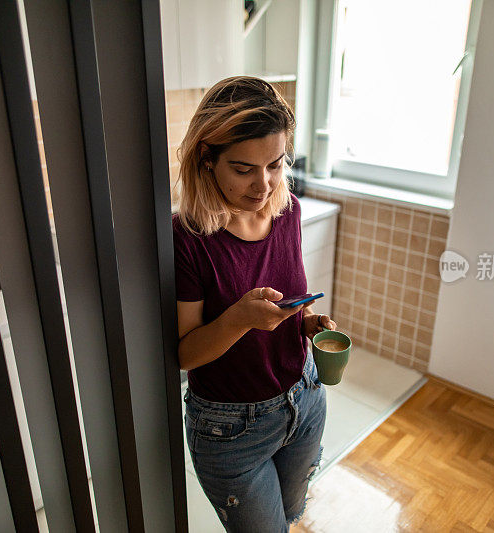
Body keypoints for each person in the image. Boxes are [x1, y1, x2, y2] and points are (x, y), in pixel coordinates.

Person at [172, 76, 338, 532]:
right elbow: (186, 354)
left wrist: (305, 323)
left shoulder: (289, 213)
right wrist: (240, 318)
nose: (262, 185)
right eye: (243, 169)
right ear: (207, 161)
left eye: (275, 165)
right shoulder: (188, 238)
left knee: (287, 518)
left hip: (304, 398)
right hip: (231, 428)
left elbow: (287, 298)